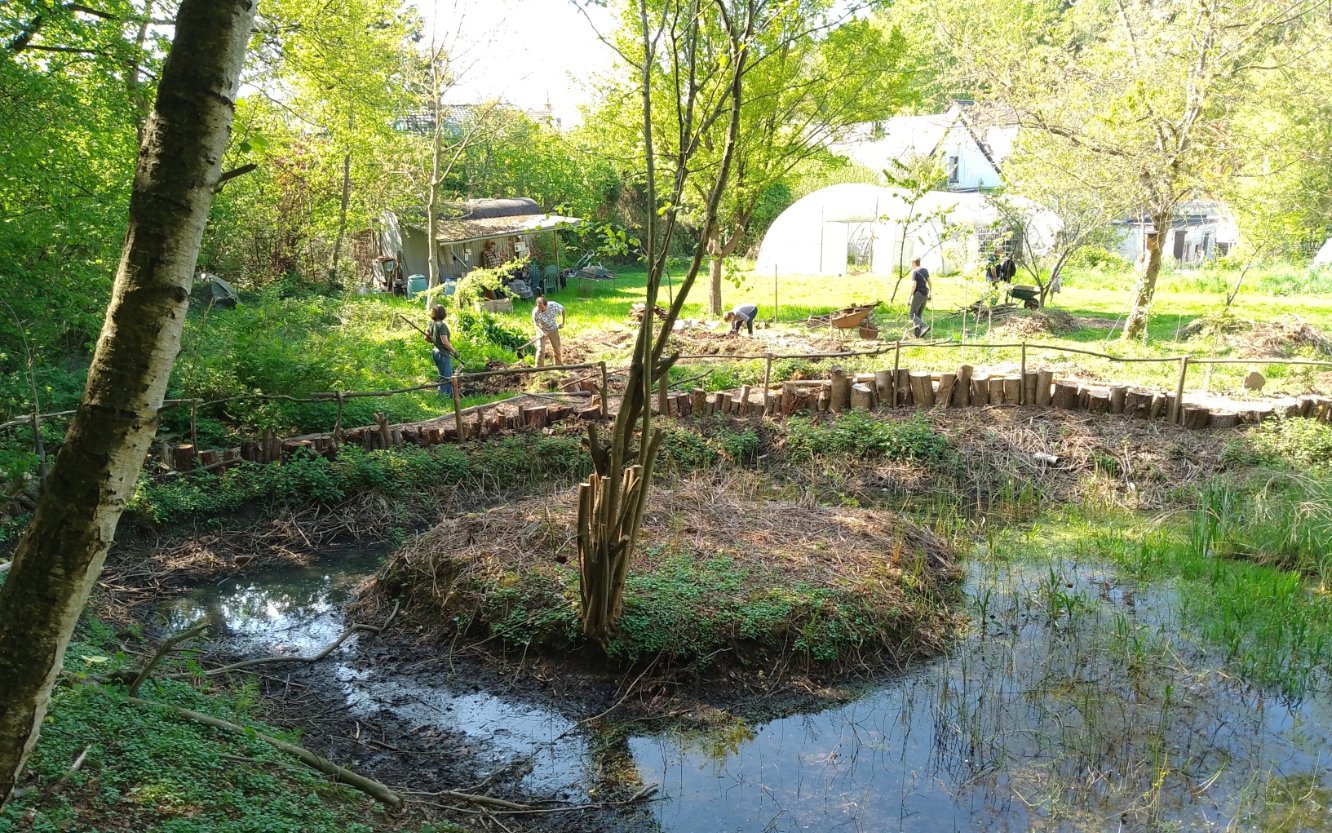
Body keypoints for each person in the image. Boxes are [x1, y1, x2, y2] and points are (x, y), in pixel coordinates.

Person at [425, 304, 459, 396]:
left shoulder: (431, 324)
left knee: (442, 374)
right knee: (446, 377)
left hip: (435, 351)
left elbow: (426, 338)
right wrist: (454, 351)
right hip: (442, 353)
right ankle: (445, 396)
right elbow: (445, 342)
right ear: (443, 314)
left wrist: (435, 341)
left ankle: (442, 393)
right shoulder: (442, 325)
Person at [531, 295, 565, 367]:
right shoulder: (535, 312)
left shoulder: (553, 305)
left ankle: (558, 365)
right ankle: (539, 368)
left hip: (553, 328)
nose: (540, 309)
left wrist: (562, 322)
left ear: (546, 305)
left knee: (557, 348)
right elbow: (536, 325)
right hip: (541, 329)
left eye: (541, 307)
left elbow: (563, 309)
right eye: (538, 307)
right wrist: (542, 332)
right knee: (540, 349)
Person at [908, 258, 931, 338]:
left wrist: (909, 297)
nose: (911, 265)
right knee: (918, 315)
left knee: (912, 314)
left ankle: (924, 326)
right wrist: (930, 293)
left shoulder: (915, 272)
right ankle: (918, 334)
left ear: (914, 263)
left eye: (911, 263)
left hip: (918, 294)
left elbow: (914, 285)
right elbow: (930, 282)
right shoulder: (925, 270)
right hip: (925, 294)